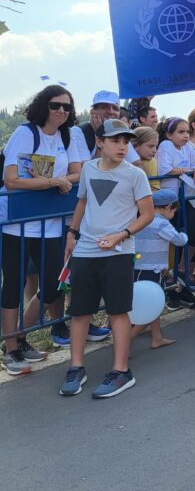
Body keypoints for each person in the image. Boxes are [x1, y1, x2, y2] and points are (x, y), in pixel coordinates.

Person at [59, 119, 153, 397]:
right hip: (86, 249)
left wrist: (120, 235)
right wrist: (71, 234)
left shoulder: (135, 175)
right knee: (80, 310)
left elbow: (147, 214)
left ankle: (121, 371)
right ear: (100, 142)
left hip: (118, 252)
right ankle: (76, 367)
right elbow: (83, 202)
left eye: (126, 141)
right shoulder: (88, 168)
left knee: (118, 311)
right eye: (115, 140)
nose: (122, 146)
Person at [1, 85, 82, 375]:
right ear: (43, 105)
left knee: (53, 283)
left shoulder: (67, 135)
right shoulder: (25, 133)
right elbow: (11, 180)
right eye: (55, 105)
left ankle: (19, 336)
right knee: (13, 284)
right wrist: (53, 182)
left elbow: (79, 172)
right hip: (18, 223)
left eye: (67, 107)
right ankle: (11, 349)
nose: (62, 111)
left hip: (51, 222)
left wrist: (58, 179)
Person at [131, 189, 186, 349]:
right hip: (152, 270)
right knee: (153, 305)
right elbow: (178, 241)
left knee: (152, 302)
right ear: (168, 207)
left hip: (138, 267)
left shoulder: (141, 219)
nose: (174, 214)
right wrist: (184, 235)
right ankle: (126, 340)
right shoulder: (161, 223)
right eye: (174, 210)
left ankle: (157, 337)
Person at [155, 117, 195, 298]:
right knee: (169, 239)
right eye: (181, 132)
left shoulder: (186, 147)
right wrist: (188, 170)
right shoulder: (166, 146)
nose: (185, 136)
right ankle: (167, 278)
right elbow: (165, 169)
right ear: (169, 134)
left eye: (187, 132)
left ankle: (182, 270)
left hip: (181, 200)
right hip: (165, 202)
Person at [132, 127, 161, 191]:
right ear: (136, 145)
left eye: (156, 146)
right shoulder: (123, 160)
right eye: (150, 146)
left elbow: (154, 189)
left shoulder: (151, 162)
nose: (154, 150)